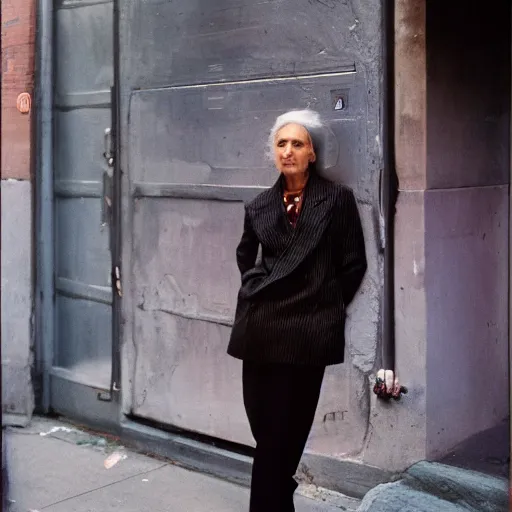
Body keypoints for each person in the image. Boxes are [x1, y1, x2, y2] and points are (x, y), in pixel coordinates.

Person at [227, 109, 368, 511]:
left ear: (312, 154)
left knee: (286, 433)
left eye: (298, 143)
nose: (288, 151)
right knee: (265, 429)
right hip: (261, 329)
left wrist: (324, 302)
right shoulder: (259, 206)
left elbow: (353, 262)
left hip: (308, 330)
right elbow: (246, 259)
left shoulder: (336, 200)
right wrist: (256, 289)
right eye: (281, 143)